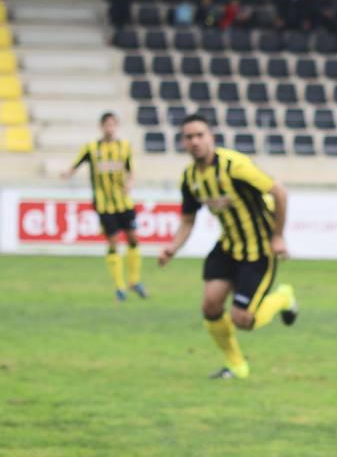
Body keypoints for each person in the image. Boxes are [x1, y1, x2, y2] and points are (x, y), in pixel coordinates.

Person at [157, 113, 299, 380]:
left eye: (200, 135)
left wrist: (277, 236)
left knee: (243, 320)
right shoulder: (190, 178)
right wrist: (172, 248)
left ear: (211, 137)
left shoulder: (235, 166)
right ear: (183, 143)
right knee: (210, 306)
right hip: (228, 246)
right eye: (189, 137)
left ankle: (284, 298)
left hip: (258, 251)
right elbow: (188, 219)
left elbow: (279, 192)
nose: (195, 141)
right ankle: (236, 365)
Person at [61, 112, 146, 302]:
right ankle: (120, 287)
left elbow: (131, 171)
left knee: (133, 238)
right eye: (106, 125)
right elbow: (76, 164)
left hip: (124, 202)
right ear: (101, 127)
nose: (110, 128)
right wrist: (67, 173)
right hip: (104, 204)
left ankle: (134, 281)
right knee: (113, 240)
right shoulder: (92, 148)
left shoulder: (124, 147)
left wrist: (130, 183)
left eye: (112, 125)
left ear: (116, 126)